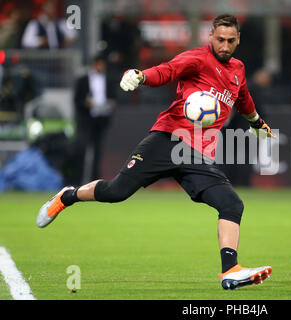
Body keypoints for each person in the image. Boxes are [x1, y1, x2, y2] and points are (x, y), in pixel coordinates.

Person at [36, 14, 274, 290]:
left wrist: (258, 123)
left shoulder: (238, 70)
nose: (224, 45)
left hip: (195, 156)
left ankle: (230, 270)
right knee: (116, 192)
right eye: (220, 39)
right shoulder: (196, 58)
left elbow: (243, 100)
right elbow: (166, 71)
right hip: (167, 140)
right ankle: (68, 196)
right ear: (210, 36)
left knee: (232, 204)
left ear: (238, 40)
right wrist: (140, 76)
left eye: (230, 41)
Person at [73, 54, 116, 184]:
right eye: (100, 64)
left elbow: (113, 97)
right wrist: (86, 104)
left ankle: (94, 181)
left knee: (98, 151)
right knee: (82, 149)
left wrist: (111, 104)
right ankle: (77, 181)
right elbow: (77, 99)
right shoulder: (83, 79)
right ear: (94, 64)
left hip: (101, 119)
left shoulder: (108, 79)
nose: (102, 67)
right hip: (86, 120)